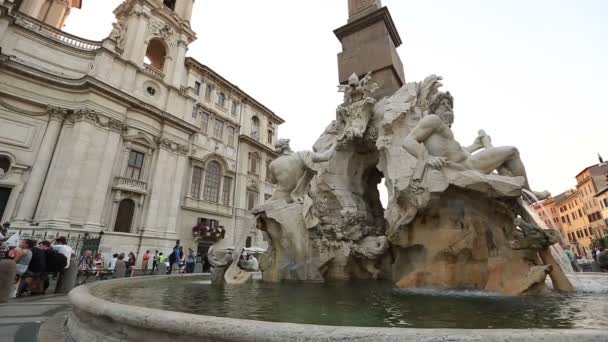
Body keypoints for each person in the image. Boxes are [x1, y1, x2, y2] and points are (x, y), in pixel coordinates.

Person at [402, 86, 549, 200]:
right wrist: (428, 159)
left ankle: (520, 190)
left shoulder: (444, 132)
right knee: (512, 151)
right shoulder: (432, 120)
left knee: (506, 157)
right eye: (443, 103)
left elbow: (456, 153)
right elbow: (408, 141)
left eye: (449, 104)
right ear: (434, 107)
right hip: (467, 167)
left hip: (469, 164)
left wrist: (476, 145)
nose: (447, 106)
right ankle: (528, 193)